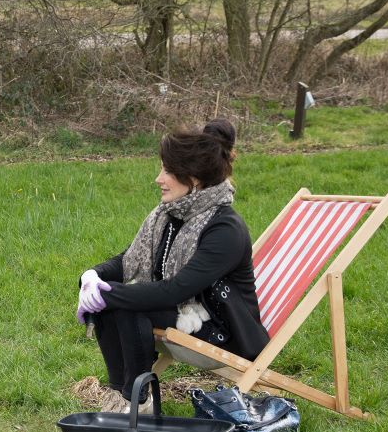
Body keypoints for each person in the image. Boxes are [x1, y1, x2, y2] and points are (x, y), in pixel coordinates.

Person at [76, 119, 269, 412]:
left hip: (224, 333)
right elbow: (129, 260)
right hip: (186, 316)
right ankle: (123, 395)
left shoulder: (225, 229)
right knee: (119, 301)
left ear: (194, 180)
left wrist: (108, 294)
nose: (158, 178)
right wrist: (93, 276)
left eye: (167, 171)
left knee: (126, 303)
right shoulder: (171, 215)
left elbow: (174, 291)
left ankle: (136, 400)